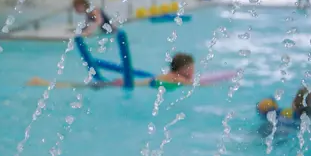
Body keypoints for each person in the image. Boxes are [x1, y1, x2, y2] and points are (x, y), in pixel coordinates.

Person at [27, 53, 195, 89]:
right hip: (121, 84)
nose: (193, 71)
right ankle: (41, 82)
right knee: (82, 86)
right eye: (190, 68)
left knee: (88, 86)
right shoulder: (175, 78)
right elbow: (196, 84)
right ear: (180, 69)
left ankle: (42, 82)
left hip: (125, 83)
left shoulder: (173, 76)